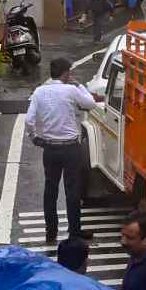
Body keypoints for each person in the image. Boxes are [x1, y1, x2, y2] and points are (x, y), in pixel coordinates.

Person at [25, 58, 101, 243]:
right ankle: (74, 231)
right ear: (66, 73)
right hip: (70, 149)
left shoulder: (39, 92)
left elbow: (29, 120)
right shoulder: (71, 90)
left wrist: (34, 137)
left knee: (50, 189)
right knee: (72, 190)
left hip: (49, 149)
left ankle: (51, 231)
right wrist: (79, 85)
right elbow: (91, 103)